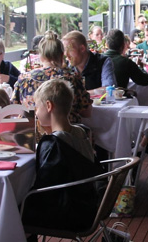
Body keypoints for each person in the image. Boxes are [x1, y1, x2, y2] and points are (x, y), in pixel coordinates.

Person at [21, 79, 100, 233]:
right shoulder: (82, 132)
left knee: (13, 209)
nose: (36, 112)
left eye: (37, 107)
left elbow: (44, 189)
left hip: (68, 214)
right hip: (89, 204)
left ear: (49, 106)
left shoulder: (53, 143)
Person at [13, 31, 91, 123]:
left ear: (41, 56)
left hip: (31, 134)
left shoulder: (24, 79)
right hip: (66, 135)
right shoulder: (71, 78)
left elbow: (14, 109)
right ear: (62, 55)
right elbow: (87, 112)